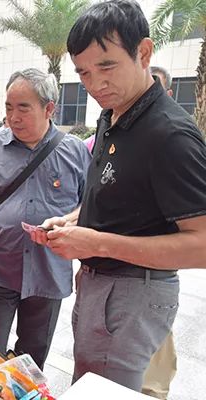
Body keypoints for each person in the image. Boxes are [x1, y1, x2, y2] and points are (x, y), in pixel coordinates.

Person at [33, 0, 206, 390]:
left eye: (107, 66)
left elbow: (202, 245)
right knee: (90, 382)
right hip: (100, 282)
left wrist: (97, 243)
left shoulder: (170, 135)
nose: (95, 84)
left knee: (106, 391)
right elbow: (117, 193)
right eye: (84, 73)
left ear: (143, 52)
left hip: (134, 291)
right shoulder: (113, 114)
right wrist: (74, 220)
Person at [0, 68, 91, 369]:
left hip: (49, 273)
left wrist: (70, 224)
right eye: (8, 107)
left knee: (32, 358)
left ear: (49, 108)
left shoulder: (75, 152)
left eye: (23, 108)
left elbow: (90, 208)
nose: (13, 117)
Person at [140, 65, 177, 399]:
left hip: (150, 284)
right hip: (109, 286)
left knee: (150, 383)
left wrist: (102, 244)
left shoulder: (172, 138)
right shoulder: (112, 131)